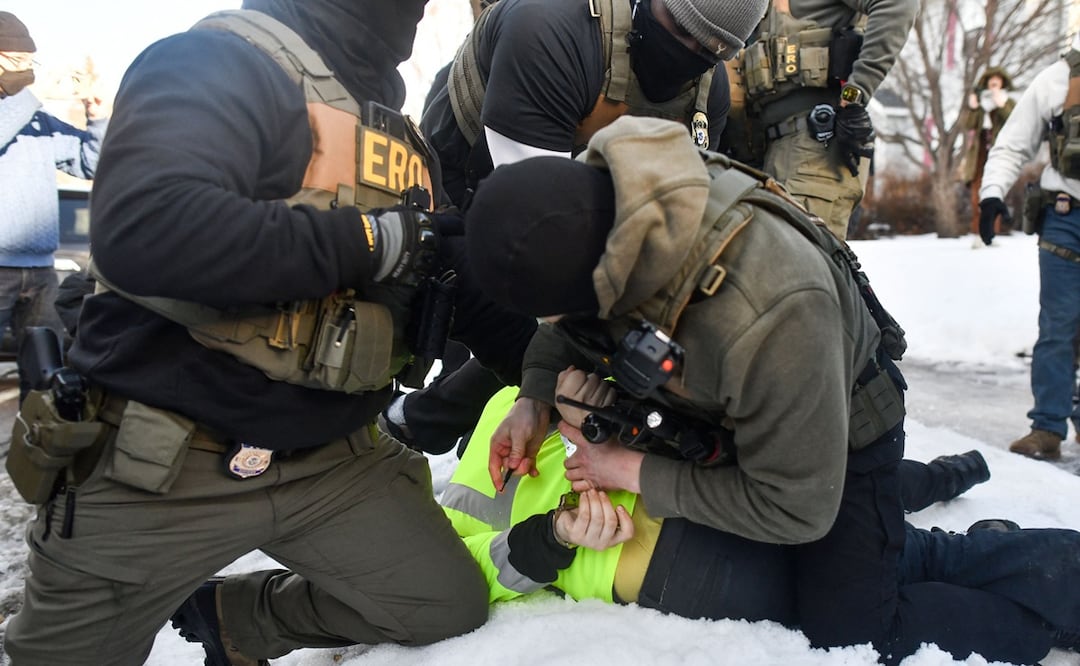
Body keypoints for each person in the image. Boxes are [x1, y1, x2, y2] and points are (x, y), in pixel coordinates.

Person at [1, 1, 539, 664]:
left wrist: (554, 384)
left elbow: (456, 285)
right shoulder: (217, 60)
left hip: (334, 465)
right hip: (160, 465)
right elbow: (145, 230)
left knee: (444, 605)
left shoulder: (398, 135)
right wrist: (372, 239)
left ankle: (236, 621)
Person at [465, 115, 1080, 664]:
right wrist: (533, 397)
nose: (548, 330)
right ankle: (947, 553)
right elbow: (570, 331)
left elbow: (797, 506)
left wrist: (629, 471)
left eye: (553, 314)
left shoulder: (771, 311)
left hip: (840, 436)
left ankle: (1047, 609)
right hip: (738, 417)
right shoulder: (601, 220)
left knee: (855, 631)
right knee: (864, 560)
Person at [442, 382, 1077, 666]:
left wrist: (593, 408)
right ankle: (1035, 595)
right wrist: (555, 534)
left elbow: (658, 386)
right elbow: (470, 578)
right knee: (887, 581)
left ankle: (968, 500)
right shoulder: (440, 525)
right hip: (685, 572)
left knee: (904, 550)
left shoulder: (514, 404)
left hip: (711, 489)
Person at [384, 0, 769, 457]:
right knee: (522, 323)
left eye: (711, 48)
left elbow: (678, 219)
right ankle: (419, 419)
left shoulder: (707, 91)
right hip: (470, 170)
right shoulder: (552, 27)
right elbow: (538, 232)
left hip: (581, 178)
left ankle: (445, 415)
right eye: (679, 30)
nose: (690, 51)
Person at [720, 0, 918, 240]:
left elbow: (896, 4)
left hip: (815, 145)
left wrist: (854, 96)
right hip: (766, 151)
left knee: (794, 264)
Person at [978, 34, 1080, 461]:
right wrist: (991, 194)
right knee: (1058, 327)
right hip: (1066, 216)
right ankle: (1048, 428)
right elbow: (1013, 143)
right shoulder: (1057, 79)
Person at [0, 11, 108, 400]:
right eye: (16, 62)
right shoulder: (25, 107)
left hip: (40, 270)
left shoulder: (37, 120)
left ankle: (31, 450)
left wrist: (96, 117)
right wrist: (36, 92)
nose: (26, 71)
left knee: (46, 371)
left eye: (31, 63)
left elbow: (90, 161)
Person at [961, 67, 1015, 242]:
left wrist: (1001, 106)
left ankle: (993, 233)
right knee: (977, 194)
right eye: (991, 82)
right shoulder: (980, 103)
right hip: (979, 153)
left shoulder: (1008, 102)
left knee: (994, 193)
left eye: (997, 82)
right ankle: (978, 233)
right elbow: (968, 125)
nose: (993, 85)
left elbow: (1013, 123)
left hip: (999, 152)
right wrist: (974, 108)